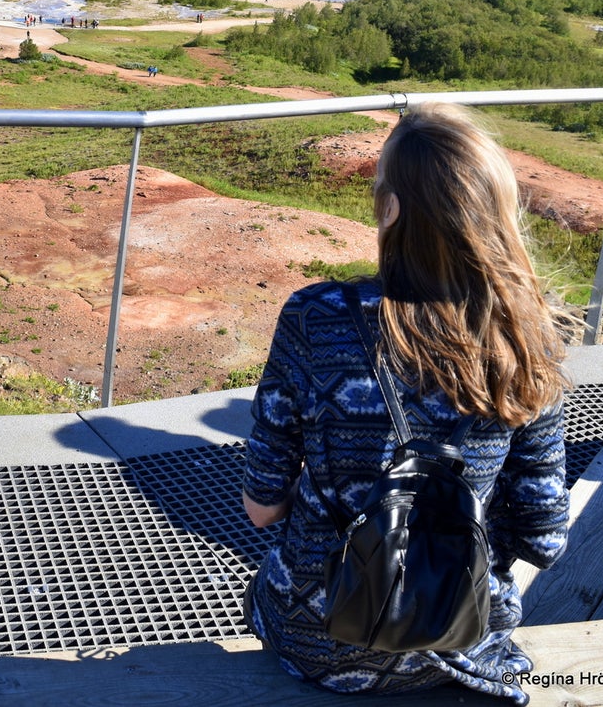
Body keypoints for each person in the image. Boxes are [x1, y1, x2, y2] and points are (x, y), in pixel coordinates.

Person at [242, 102, 570, 704]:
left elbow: (261, 509)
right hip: (459, 649)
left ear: (391, 208)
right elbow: (544, 540)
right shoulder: (530, 338)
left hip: (317, 644)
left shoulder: (315, 318)